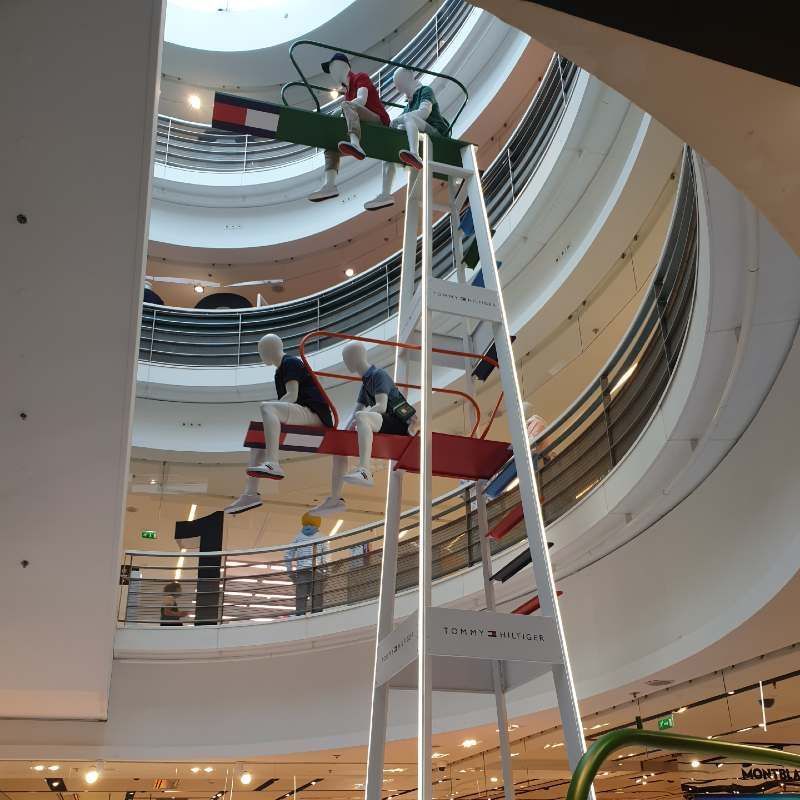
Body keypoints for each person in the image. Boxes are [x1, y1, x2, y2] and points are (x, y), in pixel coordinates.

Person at [225, 333, 335, 515]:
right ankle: (250, 493)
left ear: (269, 350)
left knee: (267, 408)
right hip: (302, 413)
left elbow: (291, 395)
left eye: (261, 351)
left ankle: (273, 462)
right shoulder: (279, 372)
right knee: (258, 436)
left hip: (315, 415)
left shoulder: (290, 363)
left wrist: (271, 412)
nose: (260, 356)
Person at [311, 342, 413, 514]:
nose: (346, 362)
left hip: (398, 424)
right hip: (381, 422)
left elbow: (381, 406)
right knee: (340, 446)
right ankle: (335, 498)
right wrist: (342, 434)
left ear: (355, 358)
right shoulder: (365, 384)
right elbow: (355, 412)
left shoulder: (378, 374)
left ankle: (364, 470)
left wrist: (360, 422)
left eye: (346, 359)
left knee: (362, 417)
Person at [364, 67, 451, 211]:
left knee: (408, 118)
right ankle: (386, 193)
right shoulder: (408, 105)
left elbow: (423, 113)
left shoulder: (425, 91)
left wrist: (400, 119)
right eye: (399, 86)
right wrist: (395, 125)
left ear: (409, 78)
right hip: (421, 134)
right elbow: (403, 123)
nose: (401, 89)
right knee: (390, 147)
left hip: (436, 133)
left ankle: (414, 154)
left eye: (401, 83)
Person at [308, 52, 390, 203]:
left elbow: (362, 100)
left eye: (332, 68)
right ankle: (330, 185)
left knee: (347, 105)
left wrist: (344, 107)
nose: (331, 73)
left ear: (341, 65)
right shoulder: (346, 94)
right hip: (361, 125)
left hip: (377, 121)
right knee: (330, 147)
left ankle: (355, 144)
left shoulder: (360, 77)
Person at [284, 513, 326, 615]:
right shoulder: (322, 537)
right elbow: (325, 557)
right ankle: (316, 616)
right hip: (317, 571)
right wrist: (325, 572)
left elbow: (288, 554)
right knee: (317, 597)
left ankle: (300, 616)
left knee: (301, 597)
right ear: (318, 523)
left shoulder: (298, 537)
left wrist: (290, 571)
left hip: (302, 571)